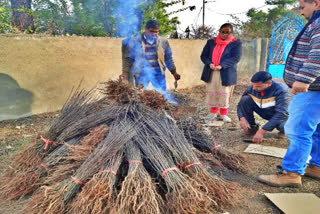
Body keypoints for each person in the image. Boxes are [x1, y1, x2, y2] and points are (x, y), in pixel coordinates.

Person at [258, 0, 320, 187]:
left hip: (314, 88)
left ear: (316, 3)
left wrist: (304, 78)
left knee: (297, 129)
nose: (301, 12)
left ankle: (292, 173)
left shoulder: (318, 24)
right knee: (315, 129)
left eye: (302, 7)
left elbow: (318, 52)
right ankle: (316, 166)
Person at [121, 20, 180, 92]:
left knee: (162, 95)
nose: (154, 34)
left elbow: (168, 58)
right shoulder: (135, 41)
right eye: (152, 31)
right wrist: (125, 72)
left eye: (157, 32)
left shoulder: (163, 41)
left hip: (158, 73)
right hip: (141, 73)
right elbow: (128, 58)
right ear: (145, 29)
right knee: (140, 94)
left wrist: (174, 72)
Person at [200, 23, 242, 123]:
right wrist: (209, 63)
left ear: (231, 32)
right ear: (219, 32)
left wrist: (222, 65)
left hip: (226, 72)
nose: (224, 34)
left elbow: (236, 58)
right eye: (222, 32)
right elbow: (203, 56)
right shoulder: (211, 42)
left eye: (227, 32)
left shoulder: (236, 43)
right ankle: (212, 113)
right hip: (212, 71)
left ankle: (223, 114)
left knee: (225, 93)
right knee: (212, 92)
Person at [237, 71, 289, 143]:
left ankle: (283, 131)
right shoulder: (252, 89)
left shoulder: (282, 90)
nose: (254, 88)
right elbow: (240, 104)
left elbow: (281, 113)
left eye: (258, 86)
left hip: (282, 116)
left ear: (269, 84)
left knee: (284, 126)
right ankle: (253, 127)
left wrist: (262, 131)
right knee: (245, 99)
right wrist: (242, 118)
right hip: (264, 111)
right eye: (253, 85)